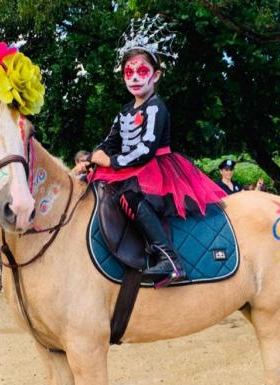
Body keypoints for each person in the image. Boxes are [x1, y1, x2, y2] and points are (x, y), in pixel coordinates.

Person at [89, 17, 226, 286]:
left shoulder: (155, 107)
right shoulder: (125, 110)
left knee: (129, 197)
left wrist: (111, 161)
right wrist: (95, 157)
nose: (136, 78)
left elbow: (145, 149)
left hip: (155, 167)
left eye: (142, 71)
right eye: (129, 72)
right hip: (128, 168)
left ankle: (169, 258)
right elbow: (109, 141)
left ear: (156, 75)